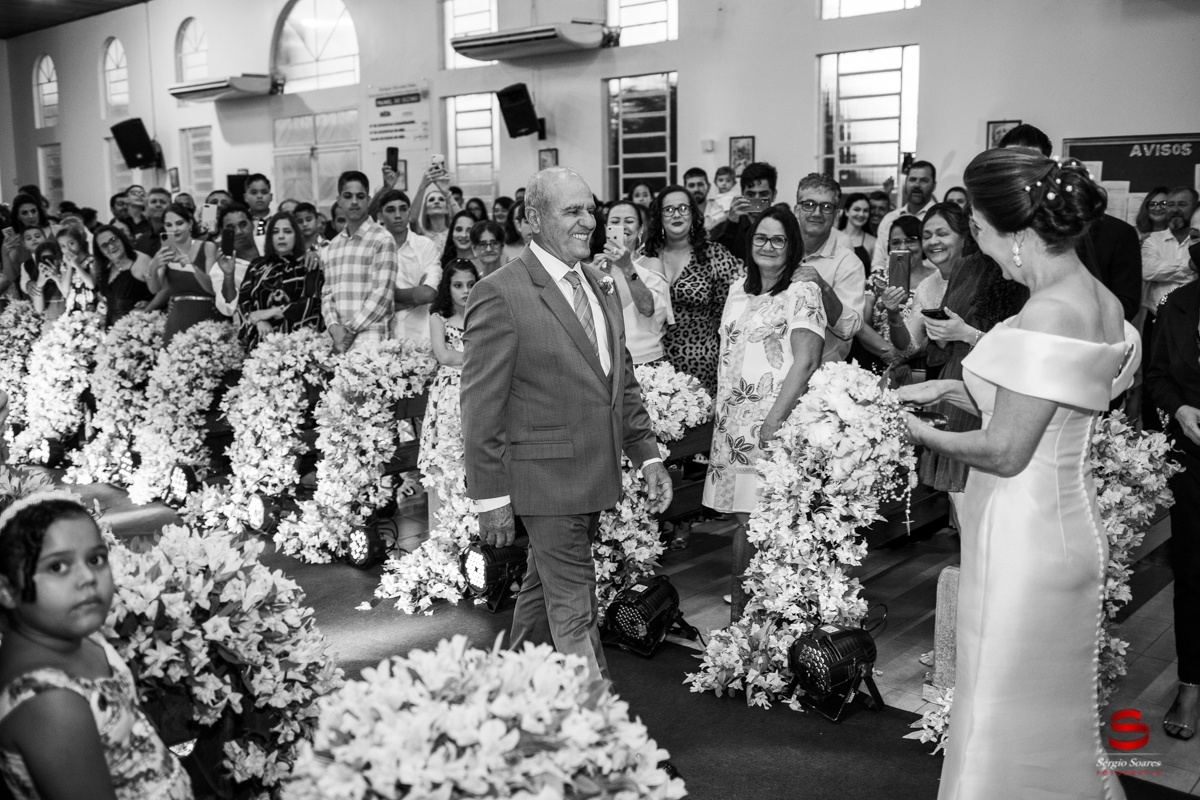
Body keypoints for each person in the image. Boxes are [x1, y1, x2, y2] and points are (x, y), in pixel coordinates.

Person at [900, 148, 1136, 799]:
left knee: (999, 716)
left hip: (1023, 537)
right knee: (1055, 719)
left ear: (1016, 231)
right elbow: (1048, 403)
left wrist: (908, 431)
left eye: (976, 226)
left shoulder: (1050, 309)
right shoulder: (1101, 300)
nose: (976, 241)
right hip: (1067, 522)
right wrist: (946, 392)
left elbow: (1007, 449)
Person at [461, 166, 673, 684]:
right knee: (575, 609)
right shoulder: (499, 292)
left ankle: (508, 692)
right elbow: (480, 407)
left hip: (595, 476)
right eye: (572, 211)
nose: (589, 221)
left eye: (590, 209)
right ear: (534, 219)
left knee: (543, 592)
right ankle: (599, 725)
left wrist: (647, 455)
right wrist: (490, 499)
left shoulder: (600, 282)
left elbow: (619, 381)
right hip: (545, 482)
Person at [0, 493, 192, 799]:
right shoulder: (51, 704)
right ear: (7, 589)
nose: (88, 577)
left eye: (95, 559)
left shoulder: (72, 633)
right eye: (57, 567)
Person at [703, 206, 826, 621]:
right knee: (746, 518)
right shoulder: (737, 288)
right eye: (761, 238)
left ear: (792, 246)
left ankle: (773, 606)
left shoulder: (802, 291)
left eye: (778, 240)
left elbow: (806, 362)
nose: (768, 246)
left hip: (774, 421)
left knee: (772, 517)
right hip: (733, 424)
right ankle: (752, 607)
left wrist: (775, 419)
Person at [1145, 268, 1200, 744]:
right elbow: (1158, 376)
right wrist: (1181, 410)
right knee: (1193, 571)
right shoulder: (1179, 303)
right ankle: (1191, 684)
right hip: (1195, 459)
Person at [643, 185, 743, 394]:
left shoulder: (714, 254)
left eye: (683, 208)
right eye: (668, 209)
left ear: (693, 214)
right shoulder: (645, 255)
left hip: (701, 364)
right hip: (653, 363)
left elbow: (729, 315)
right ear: (659, 217)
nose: (676, 214)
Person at [418, 258, 478, 519]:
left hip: (479, 387)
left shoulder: (482, 314)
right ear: (447, 287)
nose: (465, 291)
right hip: (450, 393)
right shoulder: (439, 317)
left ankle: (476, 520)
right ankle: (449, 522)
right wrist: (480, 358)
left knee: (475, 452)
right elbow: (444, 356)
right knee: (449, 453)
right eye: (458, 285)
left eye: (471, 284)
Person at [321, 171, 398, 354]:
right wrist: (333, 327)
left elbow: (382, 294)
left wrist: (348, 330)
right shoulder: (332, 246)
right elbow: (327, 294)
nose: (354, 202)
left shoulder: (382, 238)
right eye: (348, 196)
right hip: (337, 340)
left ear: (368, 200)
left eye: (360, 196)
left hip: (371, 338)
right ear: (339, 200)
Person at [793, 174, 864, 364]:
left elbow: (849, 328)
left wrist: (823, 288)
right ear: (796, 210)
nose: (817, 213)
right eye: (809, 204)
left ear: (836, 215)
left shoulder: (848, 263)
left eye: (826, 207)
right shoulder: (778, 251)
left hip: (822, 372)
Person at [596, 200, 672, 365]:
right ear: (606, 228)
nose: (622, 226)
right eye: (615, 221)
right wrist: (594, 276)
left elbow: (648, 308)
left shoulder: (652, 265)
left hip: (646, 361)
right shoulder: (595, 267)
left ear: (640, 229)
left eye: (629, 221)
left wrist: (627, 267)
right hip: (607, 363)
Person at [236, 211, 325, 351]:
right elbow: (243, 302)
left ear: (296, 235)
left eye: (287, 231)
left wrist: (271, 312)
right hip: (262, 345)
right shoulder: (257, 266)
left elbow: (312, 302)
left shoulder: (308, 263)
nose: (281, 236)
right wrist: (258, 321)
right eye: (275, 232)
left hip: (301, 345)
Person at [377, 189, 440, 343]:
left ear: (409, 213)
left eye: (403, 209)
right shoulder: (373, 248)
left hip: (420, 337)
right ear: (380, 216)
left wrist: (384, 296)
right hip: (381, 337)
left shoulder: (425, 246)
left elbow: (427, 294)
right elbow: (362, 295)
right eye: (391, 210)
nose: (398, 215)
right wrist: (412, 297)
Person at [152, 203, 220, 345]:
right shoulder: (165, 252)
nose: (174, 229)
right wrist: (153, 267)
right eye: (169, 225)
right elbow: (154, 289)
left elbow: (212, 289)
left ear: (190, 223)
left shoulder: (207, 247)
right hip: (177, 317)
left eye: (179, 223)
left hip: (206, 315)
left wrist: (192, 267)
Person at [871, 160, 938, 271]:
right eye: (912, 179)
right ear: (905, 182)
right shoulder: (890, 219)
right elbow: (879, 262)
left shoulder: (940, 219)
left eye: (924, 180)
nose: (917, 185)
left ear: (933, 185)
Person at [710, 162, 779, 262]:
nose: (757, 199)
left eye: (763, 194)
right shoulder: (727, 225)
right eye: (751, 194)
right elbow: (713, 259)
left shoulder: (782, 226)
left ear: (774, 195)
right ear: (742, 194)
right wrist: (730, 224)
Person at [92, 224, 157, 325]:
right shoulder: (106, 267)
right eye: (104, 245)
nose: (111, 246)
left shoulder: (142, 261)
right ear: (101, 251)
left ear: (121, 238)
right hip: (112, 328)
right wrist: (103, 304)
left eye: (113, 240)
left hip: (138, 327)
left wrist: (148, 308)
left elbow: (163, 291)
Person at [54, 225, 100, 314]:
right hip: (73, 306)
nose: (68, 249)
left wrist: (77, 265)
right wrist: (69, 266)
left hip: (90, 306)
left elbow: (91, 284)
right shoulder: (64, 264)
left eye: (71, 243)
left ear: (80, 242)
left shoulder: (91, 260)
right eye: (63, 246)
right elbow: (65, 289)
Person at [833, 192, 876, 275]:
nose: (861, 214)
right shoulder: (834, 237)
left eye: (865, 211)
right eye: (857, 209)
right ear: (846, 211)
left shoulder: (873, 242)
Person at [133, 188, 171, 257]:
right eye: (153, 202)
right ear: (146, 207)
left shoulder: (177, 236)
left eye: (163, 202)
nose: (158, 205)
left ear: (170, 207)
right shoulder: (141, 241)